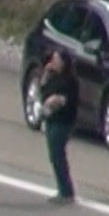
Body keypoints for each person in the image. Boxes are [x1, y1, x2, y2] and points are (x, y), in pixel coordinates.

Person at [38, 50, 80, 204]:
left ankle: (66, 191)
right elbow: (43, 90)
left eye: (56, 59)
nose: (53, 62)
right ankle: (63, 189)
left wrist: (53, 100)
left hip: (62, 122)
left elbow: (64, 100)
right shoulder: (52, 77)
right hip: (51, 120)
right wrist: (46, 74)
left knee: (58, 156)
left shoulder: (69, 81)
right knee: (54, 156)